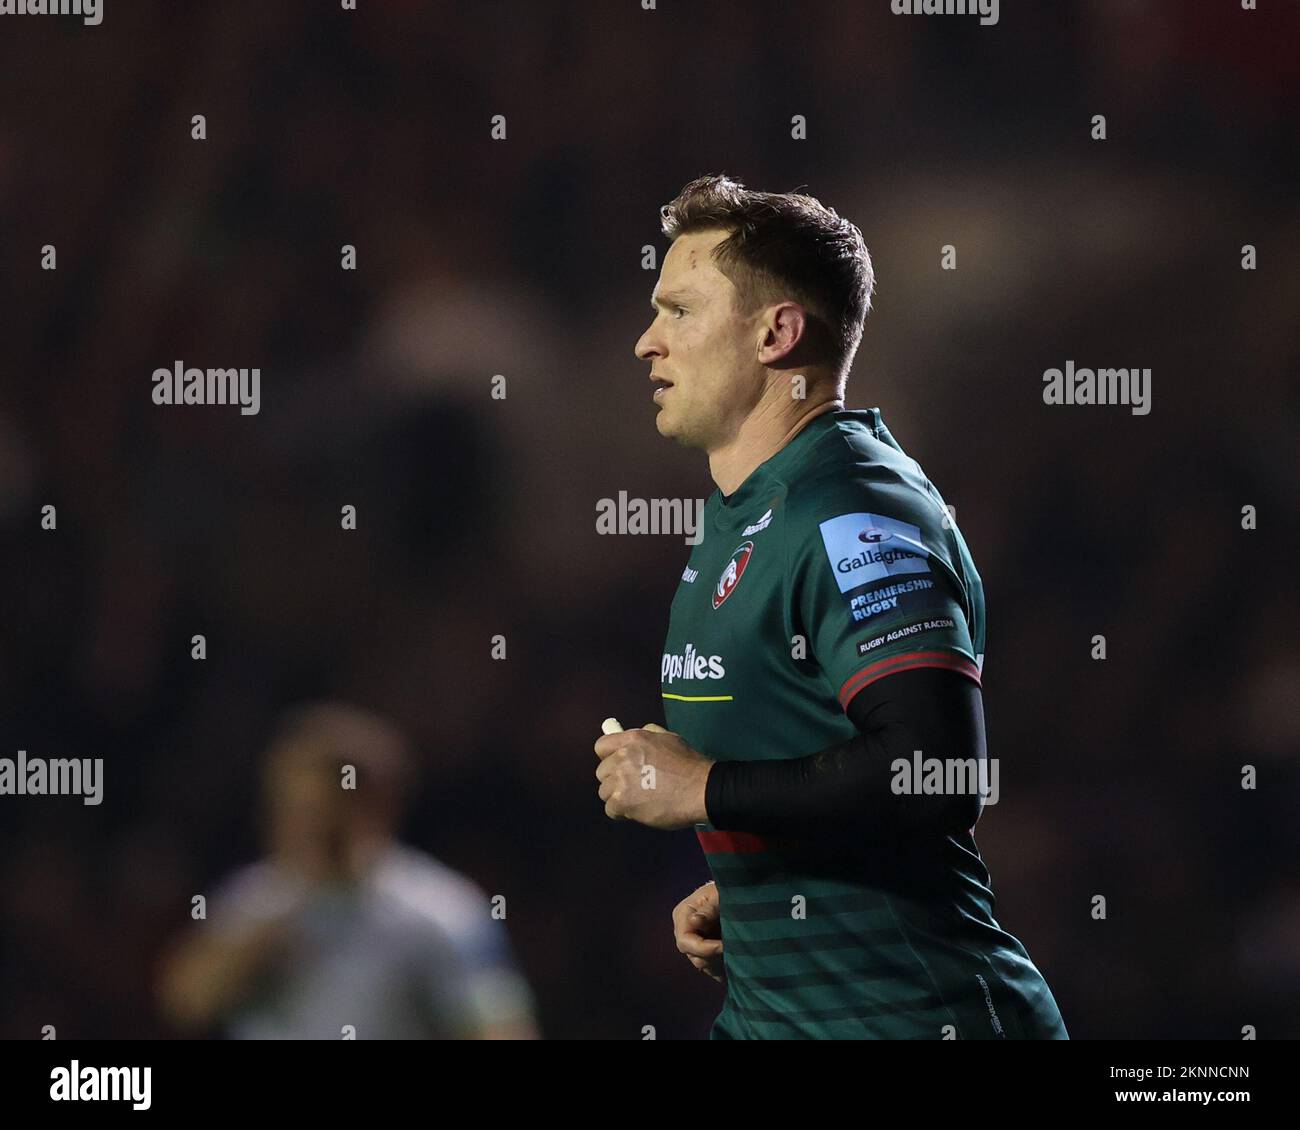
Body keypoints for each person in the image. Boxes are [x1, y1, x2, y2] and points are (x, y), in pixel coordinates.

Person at [594, 173, 1068, 1039]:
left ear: (777, 333)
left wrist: (702, 788)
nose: (645, 343)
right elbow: (821, 763)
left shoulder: (853, 510)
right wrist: (764, 885)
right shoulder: (747, 511)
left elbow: (937, 771)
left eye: (680, 311)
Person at [159, 702, 538, 1039]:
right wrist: (267, 933)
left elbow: (504, 1029)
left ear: (375, 809)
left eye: (319, 814)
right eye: (288, 809)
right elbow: (186, 1003)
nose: (298, 829)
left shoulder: (443, 910)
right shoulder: (254, 896)